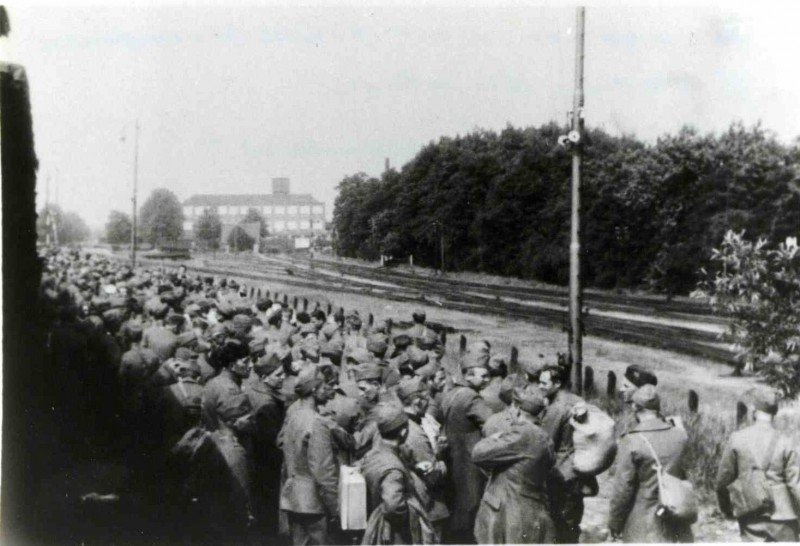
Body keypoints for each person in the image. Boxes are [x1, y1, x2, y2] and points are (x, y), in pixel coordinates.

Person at [608, 384, 694, 543]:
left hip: (643, 524)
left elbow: (623, 489)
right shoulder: (680, 435)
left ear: (635, 407)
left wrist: (615, 523)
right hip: (676, 518)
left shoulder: (632, 440)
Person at [472, 386, 556, 544]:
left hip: (510, 512)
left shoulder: (522, 433)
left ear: (516, 410)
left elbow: (478, 454)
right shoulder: (544, 436)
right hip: (531, 509)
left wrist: (495, 437)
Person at [715, 387, 800, 542]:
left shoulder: (737, 438)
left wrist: (728, 510)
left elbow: (722, 482)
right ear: (775, 413)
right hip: (784, 517)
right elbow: (795, 486)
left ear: (753, 411)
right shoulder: (786, 441)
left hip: (750, 514)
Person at [278, 367, 340, 546]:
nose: (326, 391)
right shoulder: (317, 422)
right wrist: (335, 506)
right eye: (322, 387)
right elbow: (323, 471)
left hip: (293, 498)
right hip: (314, 503)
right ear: (314, 390)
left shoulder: (293, 416)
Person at [441, 342, 494, 544]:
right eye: (485, 375)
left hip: (453, 457)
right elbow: (492, 424)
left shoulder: (452, 392)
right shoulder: (472, 398)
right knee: (470, 505)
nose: (488, 379)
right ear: (469, 375)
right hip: (468, 462)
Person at [360, 403, 434, 545]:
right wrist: (409, 518)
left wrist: (413, 467)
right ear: (403, 432)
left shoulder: (374, 454)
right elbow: (393, 506)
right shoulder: (393, 470)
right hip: (396, 535)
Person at [538, 364, 590, 544]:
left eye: (544, 383)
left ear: (557, 383)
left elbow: (546, 441)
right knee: (573, 519)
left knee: (558, 520)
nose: (540, 386)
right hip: (578, 468)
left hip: (560, 471)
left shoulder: (556, 408)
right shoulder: (577, 400)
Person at [397, 377, 450, 542]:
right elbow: (433, 476)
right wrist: (440, 456)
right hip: (428, 504)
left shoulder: (402, 423)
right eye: (426, 401)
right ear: (417, 403)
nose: (427, 406)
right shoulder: (415, 433)